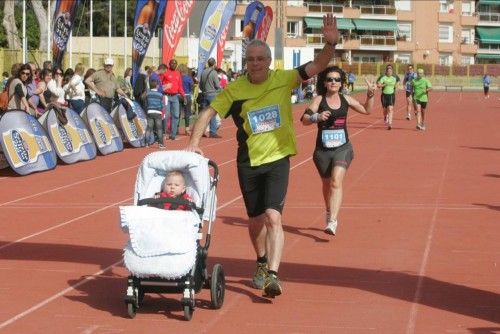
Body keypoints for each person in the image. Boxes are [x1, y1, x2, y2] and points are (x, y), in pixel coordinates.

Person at [186, 13, 339, 298]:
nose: (255, 63)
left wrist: (330, 45)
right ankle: (260, 261)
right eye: (250, 59)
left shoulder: (284, 78)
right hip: (248, 162)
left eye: (260, 59)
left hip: (278, 159)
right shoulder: (235, 89)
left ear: (269, 61)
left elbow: (318, 65)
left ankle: (273, 274)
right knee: (255, 220)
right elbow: (208, 112)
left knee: (273, 217)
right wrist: (195, 142)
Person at [301, 66, 375, 235]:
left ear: (341, 83)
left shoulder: (346, 99)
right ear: (325, 83)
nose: (333, 82)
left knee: (336, 181)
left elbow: (367, 110)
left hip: (343, 148)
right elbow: (304, 120)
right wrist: (317, 117)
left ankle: (333, 221)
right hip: (322, 151)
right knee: (327, 184)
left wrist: (370, 95)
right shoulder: (319, 100)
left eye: (337, 79)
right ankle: (329, 210)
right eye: (330, 79)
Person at [161, 58, 186, 140]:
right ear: (169, 64)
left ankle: (173, 134)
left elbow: (180, 86)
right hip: (166, 96)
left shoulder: (178, 74)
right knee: (166, 115)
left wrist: (184, 96)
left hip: (175, 97)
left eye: (175, 63)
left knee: (176, 115)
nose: (174, 65)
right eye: (172, 63)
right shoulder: (165, 72)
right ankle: (164, 133)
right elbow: (159, 84)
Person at [199, 58, 222, 138]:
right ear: (214, 63)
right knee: (212, 114)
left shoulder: (203, 72)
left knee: (204, 114)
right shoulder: (214, 72)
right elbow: (217, 85)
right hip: (212, 95)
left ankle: (201, 131)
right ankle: (213, 132)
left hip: (204, 94)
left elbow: (200, 85)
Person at [144, 79, 166, 149]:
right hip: (158, 112)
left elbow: (146, 103)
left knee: (149, 128)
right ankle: (161, 144)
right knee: (159, 128)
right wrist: (162, 111)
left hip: (150, 111)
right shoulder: (160, 95)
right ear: (157, 86)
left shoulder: (148, 94)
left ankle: (146, 143)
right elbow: (162, 105)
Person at [377, 64, 399, 130]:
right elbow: (379, 85)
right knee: (385, 110)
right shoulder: (383, 78)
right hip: (384, 95)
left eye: (390, 71)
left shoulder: (394, 78)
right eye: (388, 71)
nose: (389, 72)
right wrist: (384, 84)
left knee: (390, 109)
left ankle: (390, 124)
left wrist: (397, 88)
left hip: (391, 95)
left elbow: (396, 85)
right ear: (386, 72)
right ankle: (385, 116)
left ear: (392, 72)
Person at [179, 64, 194, 136]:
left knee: (177, 113)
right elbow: (192, 86)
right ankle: (187, 129)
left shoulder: (178, 77)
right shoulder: (189, 78)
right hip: (187, 95)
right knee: (187, 113)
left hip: (178, 96)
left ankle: (175, 129)